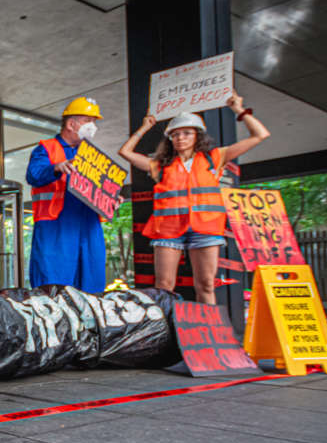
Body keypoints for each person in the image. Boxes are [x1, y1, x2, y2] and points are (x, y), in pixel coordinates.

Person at [118, 92, 270, 303]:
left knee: (206, 285)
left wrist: (239, 109)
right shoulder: (160, 165)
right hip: (168, 230)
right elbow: (125, 152)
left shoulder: (215, 158)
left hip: (205, 229)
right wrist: (145, 127)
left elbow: (260, 135)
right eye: (176, 134)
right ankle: (165, 333)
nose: (180, 138)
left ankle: (210, 333)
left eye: (187, 133)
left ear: (198, 135)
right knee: (164, 286)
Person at [25, 96, 106, 292]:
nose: (92, 126)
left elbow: (101, 187)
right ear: (71, 124)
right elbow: (33, 175)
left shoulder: (90, 155)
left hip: (88, 225)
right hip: (56, 226)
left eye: (94, 122)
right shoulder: (46, 149)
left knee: (91, 283)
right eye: (88, 121)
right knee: (54, 284)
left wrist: (111, 198)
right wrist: (56, 167)